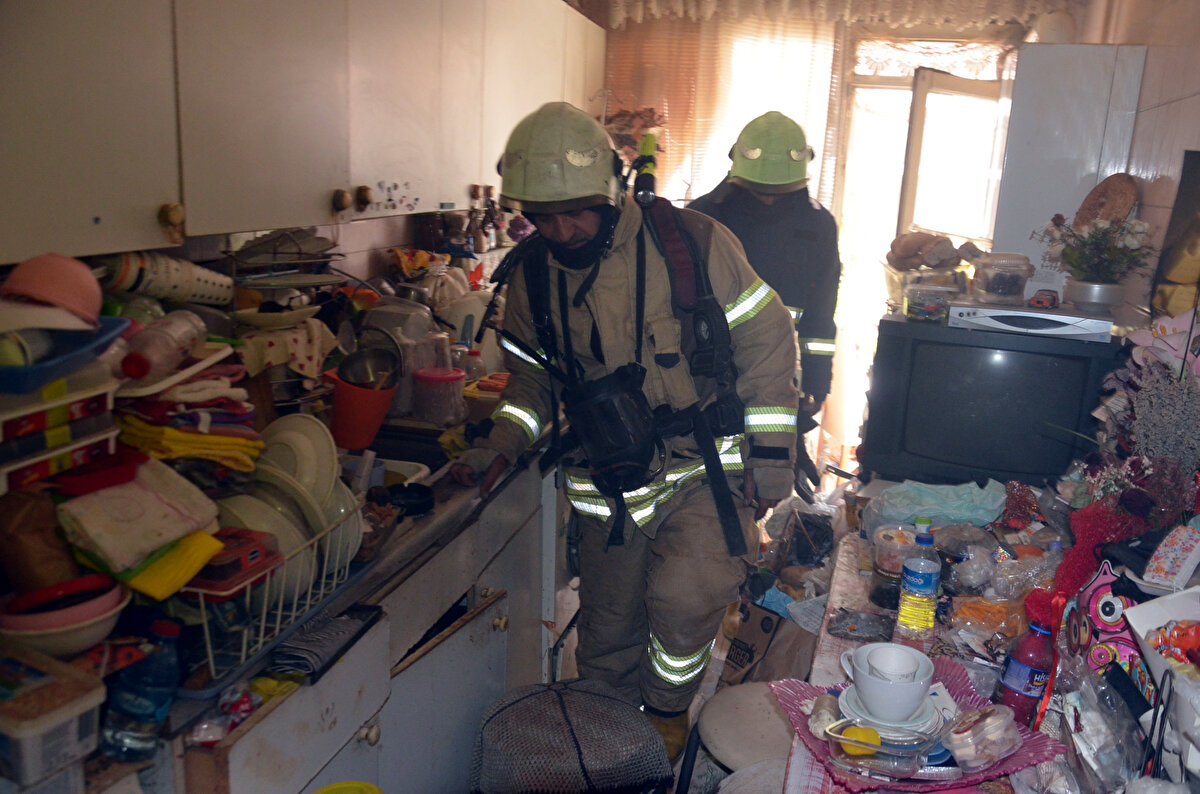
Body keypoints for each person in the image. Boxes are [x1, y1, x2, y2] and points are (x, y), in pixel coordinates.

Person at [450, 102, 799, 759]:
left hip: (703, 469)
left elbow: (768, 342)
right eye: (542, 215)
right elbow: (530, 386)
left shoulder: (693, 244)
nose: (561, 228)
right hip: (606, 485)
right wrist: (502, 444)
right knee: (607, 634)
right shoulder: (529, 278)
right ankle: (604, 745)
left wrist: (772, 456)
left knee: (685, 597)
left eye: (576, 210)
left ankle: (666, 716)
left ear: (612, 189)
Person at [689, 111, 841, 497]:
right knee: (711, 484)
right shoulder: (701, 218)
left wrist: (817, 384)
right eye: (760, 190)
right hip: (709, 372)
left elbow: (822, 317)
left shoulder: (819, 226)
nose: (770, 199)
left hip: (781, 372)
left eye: (779, 192)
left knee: (769, 480)